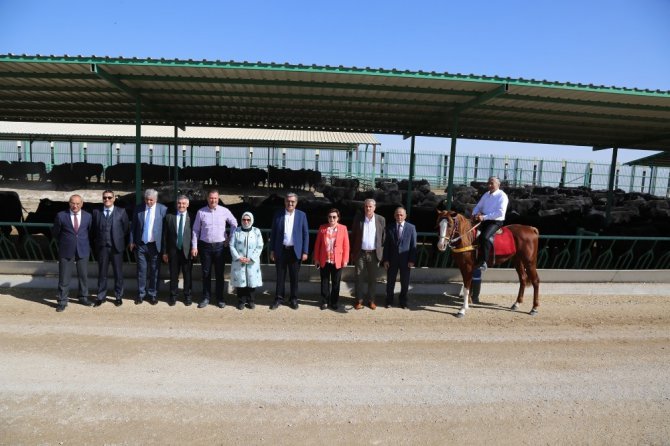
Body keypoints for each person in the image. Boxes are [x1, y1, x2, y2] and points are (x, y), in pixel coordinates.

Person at [191, 189, 237, 309]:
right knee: (206, 273)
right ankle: (206, 297)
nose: (213, 200)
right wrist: (194, 246)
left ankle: (220, 298)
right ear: (207, 199)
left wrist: (230, 237)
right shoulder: (201, 212)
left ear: (218, 198)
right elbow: (195, 230)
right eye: (211, 198)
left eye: (215, 198)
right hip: (205, 246)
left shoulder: (224, 211)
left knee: (219, 274)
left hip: (220, 247)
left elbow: (234, 223)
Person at [52, 194, 92, 312]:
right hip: (66, 249)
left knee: (83, 275)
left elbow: (90, 231)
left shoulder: (88, 216)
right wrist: (66, 242)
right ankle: (62, 301)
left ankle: (83, 297)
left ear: (82, 204)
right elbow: (55, 232)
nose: (75, 206)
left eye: (78, 203)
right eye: (73, 203)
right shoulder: (61, 216)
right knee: (64, 276)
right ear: (69, 203)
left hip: (83, 249)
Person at [269, 192, 309, 310]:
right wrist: (272, 250)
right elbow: (274, 233)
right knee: (280, 276)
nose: (290, 203)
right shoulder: (278, 214)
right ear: (284, 202)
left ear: (296, 203)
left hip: (295, 251)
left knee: (294, 277)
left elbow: (306, 234)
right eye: (288, 201)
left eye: (292, 202)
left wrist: (305, 251)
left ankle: (293, 299)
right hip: (281, 250)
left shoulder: (302, 215)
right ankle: (278, 298)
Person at [129, 188, 167, 305]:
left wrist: (165, 250)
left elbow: (165, 231)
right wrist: (131, 241)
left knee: (154, 271)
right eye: (147, 199)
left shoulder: (163, 209)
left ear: (156, 199)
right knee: (141, 270)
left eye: (151, 200)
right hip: (141, 245)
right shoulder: (138, 208)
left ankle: (152, 294)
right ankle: (141, 294)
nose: (149, 202)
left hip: (155, 246)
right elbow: (133, 226)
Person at [91, 190, 129, 307]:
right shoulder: (96, 212)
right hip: (102, 248)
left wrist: (121, 243)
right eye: (104, 198)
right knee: (102, 273)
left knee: (118, 273)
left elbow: (126, 229)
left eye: (109, 198)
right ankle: (101, 296)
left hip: (116, 248)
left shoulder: (121, 212)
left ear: (114, 199)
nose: (107, 200)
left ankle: (118, 296)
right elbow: (93, 230)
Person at [350, 198, 386, 310]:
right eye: (366, 206)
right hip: (360, 253)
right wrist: (353, 252)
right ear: (364, 207)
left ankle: (371, 300)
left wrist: (381, 252)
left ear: (374, 207)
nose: (368, 208)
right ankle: (359, 300)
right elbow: (354, 235)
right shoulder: (358, 219)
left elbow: (383, 237)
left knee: (372, 279)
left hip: (374, 254)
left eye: (370, 206)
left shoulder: (381, 219)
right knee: (359, 277)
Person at [313, 208, 350, 311]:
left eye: (334, 217)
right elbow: (317, 245)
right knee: (324, 282)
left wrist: (345, 259)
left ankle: (334, 302)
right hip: (324, 259)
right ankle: (324, 301)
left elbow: (346, 245)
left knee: (336, 283)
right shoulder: (322, 228)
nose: (332, 219)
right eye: (330, 217)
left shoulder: (343, 228)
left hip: (337, 260)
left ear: (338, 218)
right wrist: (316, 259)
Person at [382, 206, 417, 309]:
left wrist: (412, 260)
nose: (399, 216)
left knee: (405, 282)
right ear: (394, 216)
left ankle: (403, 301)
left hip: (406, 260)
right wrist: (386, 259)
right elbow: (386, 245)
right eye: (397, 214)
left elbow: (413, 245)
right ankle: (389, 301)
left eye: (401, 214)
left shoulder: (411, 228)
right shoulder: (389, 227)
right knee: (390, 282)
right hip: (392, 260)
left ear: (405, 216)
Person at [472, 176, 509, 271]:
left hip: (495, 222)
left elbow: (500, 213)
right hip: (483, 219)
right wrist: (474, 214)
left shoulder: (502, 196)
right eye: (488, 183)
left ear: (498, 184)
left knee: (485, 237)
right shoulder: (486, 194)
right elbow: (478, 206)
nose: (489, 185)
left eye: (492, 183)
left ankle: (484, 261)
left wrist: (483, 217)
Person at [162, 195, 193, 306]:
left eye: (184, 203)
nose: (181, 205)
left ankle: (187, 296)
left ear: (188, 205)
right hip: (173, 252)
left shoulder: (192, 217)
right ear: (176, 204)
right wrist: (165, 252)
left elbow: (194, 235)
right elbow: (165, 236)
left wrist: (194, 248)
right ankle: (173, 296)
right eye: (179, 203)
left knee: (187, 275)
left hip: (187, 251)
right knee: (173, 275)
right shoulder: (169, 217)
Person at [229, 211, 264, 310]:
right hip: (239, 261)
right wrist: (238, 257)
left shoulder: (256, 231)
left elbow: (260, 246)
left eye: (248, 219)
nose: (246, 221)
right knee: (240, 282)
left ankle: (251, 301)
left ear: (251, 220)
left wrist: (251, 258)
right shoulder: (236, 231)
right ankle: (241, 301)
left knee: (251, 282)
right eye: (244, 219)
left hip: (252, 262)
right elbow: (232, 245)